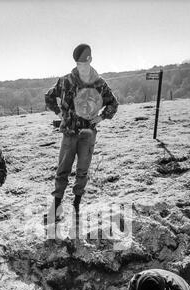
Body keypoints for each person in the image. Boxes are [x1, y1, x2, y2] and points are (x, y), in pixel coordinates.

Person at [45, 43, 118, 221]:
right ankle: (56, 206)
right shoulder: (65, 81)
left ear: (90, 60)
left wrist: (101, 117)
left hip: (88, 134)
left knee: (82, 171)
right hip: (69, 133)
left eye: (83, 64)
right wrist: (60, 112)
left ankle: (76, 205)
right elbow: (48, 97)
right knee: (62, 170)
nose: (81, 68)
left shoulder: (99, 83)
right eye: (78, 64)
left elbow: (113, 103)